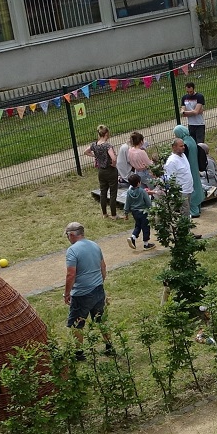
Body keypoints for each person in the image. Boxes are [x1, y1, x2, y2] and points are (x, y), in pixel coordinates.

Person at [63, 221, 113, 359]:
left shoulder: (72, 250)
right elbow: (103, 267)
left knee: (77, 324)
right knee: (101, 320)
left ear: (72, 235)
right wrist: (99, 284)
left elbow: (71, 275)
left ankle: (79, 353)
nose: (67, 238)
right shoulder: (94, 245)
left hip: (82, 294)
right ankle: (109, 346)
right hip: (98, 290)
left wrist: (67, 293)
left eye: (67, 235)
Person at [85, 124, 120, 220]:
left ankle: (104, 213)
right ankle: (113, 214)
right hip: (110, 170)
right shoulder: (107, 145)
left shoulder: (94, 145)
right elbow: (113, 158)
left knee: (103, 192)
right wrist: (113, 164)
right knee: (113, 193)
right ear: (106, 134)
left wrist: (94, 156)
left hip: (101, 171)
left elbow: (86, 151)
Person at [173, 125, 203, 217]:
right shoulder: (191, 140)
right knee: (197, 185)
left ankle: (194, 210)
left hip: (189, 167)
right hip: (195, 165)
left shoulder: (185, 144)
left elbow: (182, 156)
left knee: (192, 187)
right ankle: (198, 206)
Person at [162, 137, 195, 217]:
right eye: (181, 146)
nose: (183, 147)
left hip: (188, 189)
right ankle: (185, 228)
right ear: (174, 147)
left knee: (187, 209)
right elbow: (169, 179)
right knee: (185, 211)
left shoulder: (183, 155)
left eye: (183, 145)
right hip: (181, 191)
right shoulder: (171, 162)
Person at [124, 174, 154, 250]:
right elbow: (148, 202)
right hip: (143, 212)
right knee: (146, 227)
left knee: (138, 225)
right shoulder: (142, 192)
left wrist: (126, 213)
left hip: (134, 212)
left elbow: (127, 203)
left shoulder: (129, 192)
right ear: (138, 183)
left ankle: (133, 237)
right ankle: (146, 244)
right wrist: (151, 210)